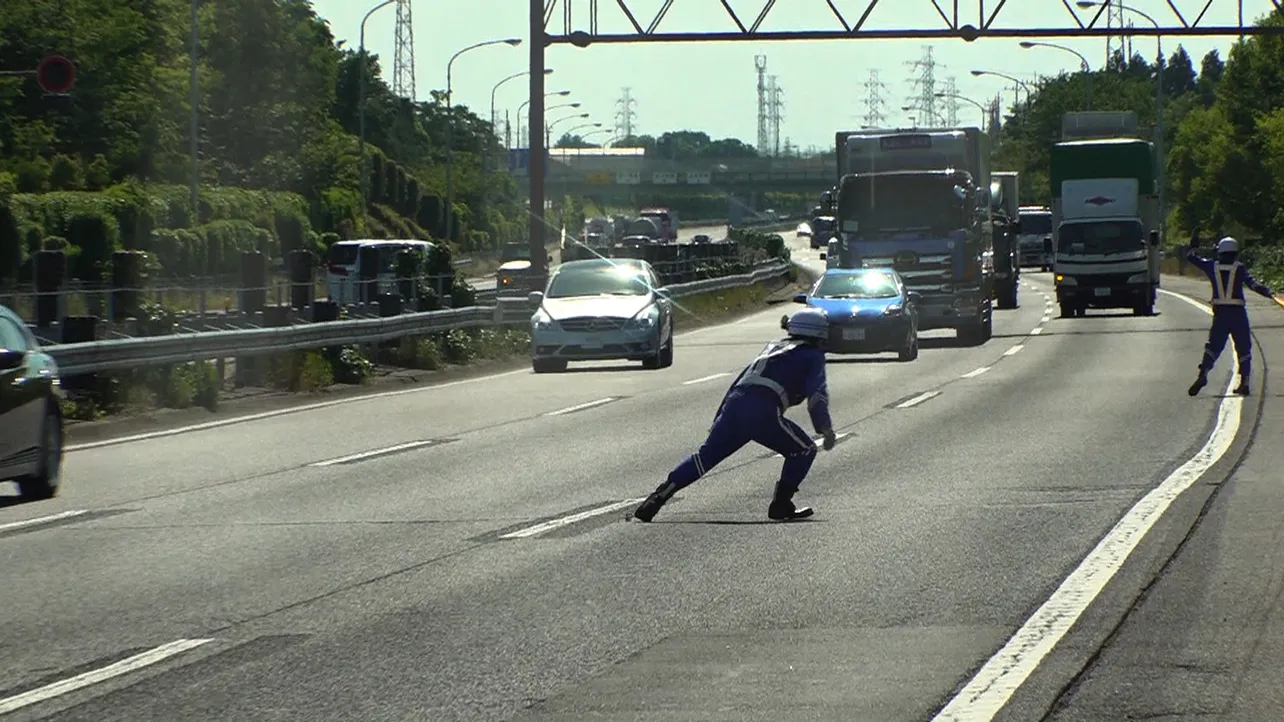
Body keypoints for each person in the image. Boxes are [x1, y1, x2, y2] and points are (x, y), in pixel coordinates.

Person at [631, 307, 838, 523]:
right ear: (818, 334)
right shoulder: (812, 356)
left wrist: (719, 418)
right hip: (763, 410)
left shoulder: (773, 348)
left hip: (735, 404)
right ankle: (781, 504)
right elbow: (818, 395)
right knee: (804, 450)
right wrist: (824, 427)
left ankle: (656, 499)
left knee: (705, 457)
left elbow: (738, 382)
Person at [1187, 236, 1275, 396]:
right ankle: (1245, 382)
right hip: (1238, 314)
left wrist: (1193, 246)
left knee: (1213, 346)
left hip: (1220, 314)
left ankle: (1203, 374)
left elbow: (1191, 258)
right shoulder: (1239, 268)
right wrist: (1268, 293)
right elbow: (1253, 284)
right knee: (1243, 348)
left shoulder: (1211, 266)